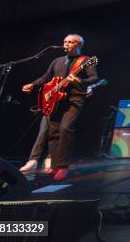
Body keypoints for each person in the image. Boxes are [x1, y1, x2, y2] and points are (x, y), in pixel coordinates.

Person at [21, 34, 98, 180]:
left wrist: (79, 80)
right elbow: (45, 77)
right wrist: (32, 84)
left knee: (65, 128)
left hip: (74, 99)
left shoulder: (86, 60)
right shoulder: (57, 61)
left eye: (70, 42)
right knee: (54, 132)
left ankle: (63, 167)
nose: (66, 44)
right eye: (65, 42)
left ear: (78, 45)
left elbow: (94, 78)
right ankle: (55, 166)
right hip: (56, 100)